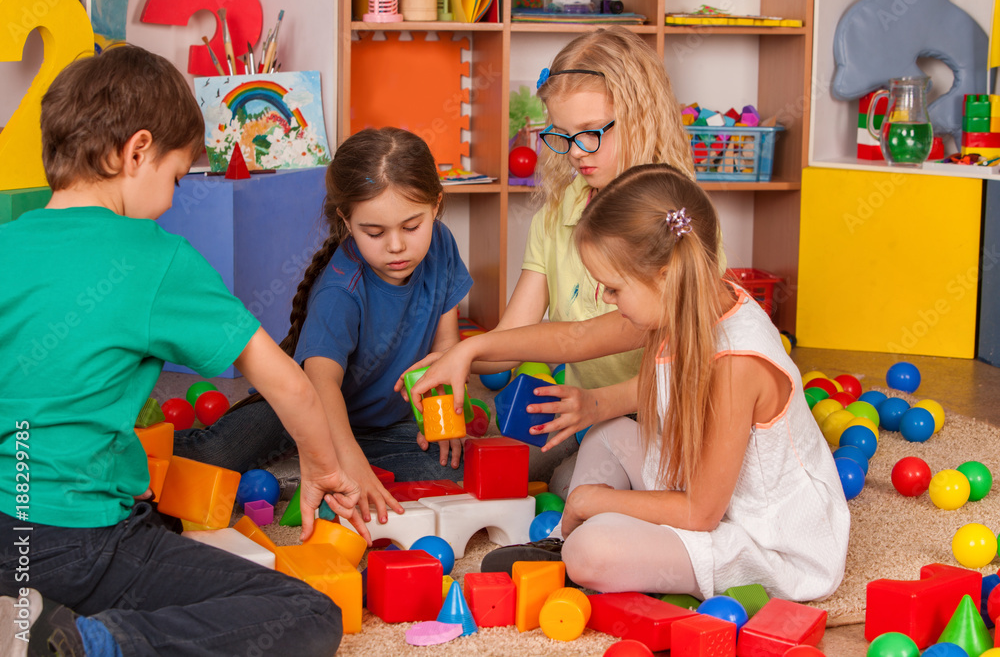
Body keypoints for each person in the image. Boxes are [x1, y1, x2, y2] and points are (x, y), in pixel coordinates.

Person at [0, 46, 368, 657]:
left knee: (150, 520)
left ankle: (23, 612)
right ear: (135, 152)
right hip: (74, 541)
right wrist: (324, 469)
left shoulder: (7, 242)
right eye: (174, 177)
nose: (173, 200)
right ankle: (79, 645)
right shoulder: (154, 258)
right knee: (306, 612)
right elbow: (289, 384)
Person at [409, 164, 849, 601]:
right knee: (607, 433)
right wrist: (468, 350)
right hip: (706, 490)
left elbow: (701, 512)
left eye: (614, 289)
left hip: (764, 539)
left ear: (665, 276)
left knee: (592, 551)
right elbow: (574, 337)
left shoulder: (735, 364)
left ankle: (580, 545)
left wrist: (594, 500)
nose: (605, 298)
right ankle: (578, 538)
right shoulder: (683, 299)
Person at [174, 127, 473, 525]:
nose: (396, 246)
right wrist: (346, 458)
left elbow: (445, 349)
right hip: (303, 414)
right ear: (346, 220)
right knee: (214, 456)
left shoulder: (442, 245)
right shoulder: (341, 289)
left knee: (454, 467)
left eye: (411, 226)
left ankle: (310, 471)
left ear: (436, 205)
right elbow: (319, 382)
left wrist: (443, 420)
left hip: (380, 424)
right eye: (374, 232)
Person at [486, 26, 705, 495]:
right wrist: (451, 360)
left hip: (664, 417)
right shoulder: (555, 216)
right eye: (562, 136)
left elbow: (688, 364)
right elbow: (509, 341)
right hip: (586, 410)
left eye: (591, 133)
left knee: (574, 487)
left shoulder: (678, 215)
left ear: (642, 117)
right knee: (496, 460)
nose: (576, 153)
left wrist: (598, 404)